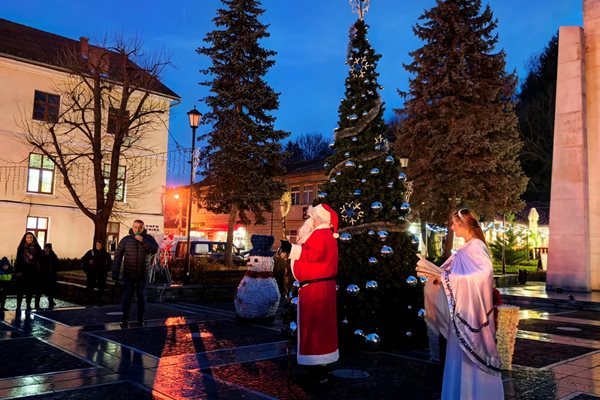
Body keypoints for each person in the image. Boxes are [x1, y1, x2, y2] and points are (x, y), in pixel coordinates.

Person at [416, 208, 503, 400]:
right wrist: (439, 277)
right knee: (457, 359)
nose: (452, 227)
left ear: (464, 226)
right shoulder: (464, 249)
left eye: (455, 224)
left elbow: (483, 275)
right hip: (460, 314)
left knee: (469, 361)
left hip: (471, 316)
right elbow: (450, 273)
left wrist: (448, 279)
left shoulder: (476, 247)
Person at [279, 203, 339, 384]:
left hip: (316, 289)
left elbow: (315, 254)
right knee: (318, 327)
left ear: (318, 219)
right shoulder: (322, 233)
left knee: (315, 327)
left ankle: (317, 369)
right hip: (315, 287)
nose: (309, 220)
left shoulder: (321, 233)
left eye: (312, 217)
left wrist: (291, 249)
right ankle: (319, 367)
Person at [112, 220, 158, 328]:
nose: (136, 229)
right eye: (135, 227)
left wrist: (142, 240)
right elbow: (118, 257)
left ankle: (140, 318)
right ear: (132, 227)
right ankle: (124, 319)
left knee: (141, 297)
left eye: (139, 227)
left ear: (143, 228)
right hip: (129, 274)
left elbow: (154, 249)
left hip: (143, 274)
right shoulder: (126, 240)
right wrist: (115, 274)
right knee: (127, 297)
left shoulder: (148, 239)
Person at [14, 232, 42, 312]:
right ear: (25, 239)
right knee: (20, 290)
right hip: (22, 272)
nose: (29, 239)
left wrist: (33, 259)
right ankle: (18, 306)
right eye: (27, 237)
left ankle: (28, 305)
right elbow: (18, 260)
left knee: (30, 290)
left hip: (32, 272)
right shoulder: (21, 248)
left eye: (31, 237)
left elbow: (40, 259)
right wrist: (17, 271)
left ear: (33, 238)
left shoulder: (37, 247)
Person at [81, 240, 112, 305]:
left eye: (100, 245)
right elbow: (83, 260)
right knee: (90, 286)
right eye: (97, 244)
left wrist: (106, 269)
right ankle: (88, 298)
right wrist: (87, 270)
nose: (98, 246)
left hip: (102, 274)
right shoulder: (91, 252)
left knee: (101, 287)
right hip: (92, 273)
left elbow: (110, 264)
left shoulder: (106, 254)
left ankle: (99, 299)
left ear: (102, 245)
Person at [36, 243, 59, 309]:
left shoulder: (53, 255)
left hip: (50, 275)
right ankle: (37, 302)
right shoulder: (41, 254)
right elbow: (38, 262)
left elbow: (56, 263)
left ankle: (51, 301)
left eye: (48, 248)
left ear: (50, 249)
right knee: (39, 290)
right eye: (45, 248)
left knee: (50, 290)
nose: (46, 249)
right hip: (41, 275)